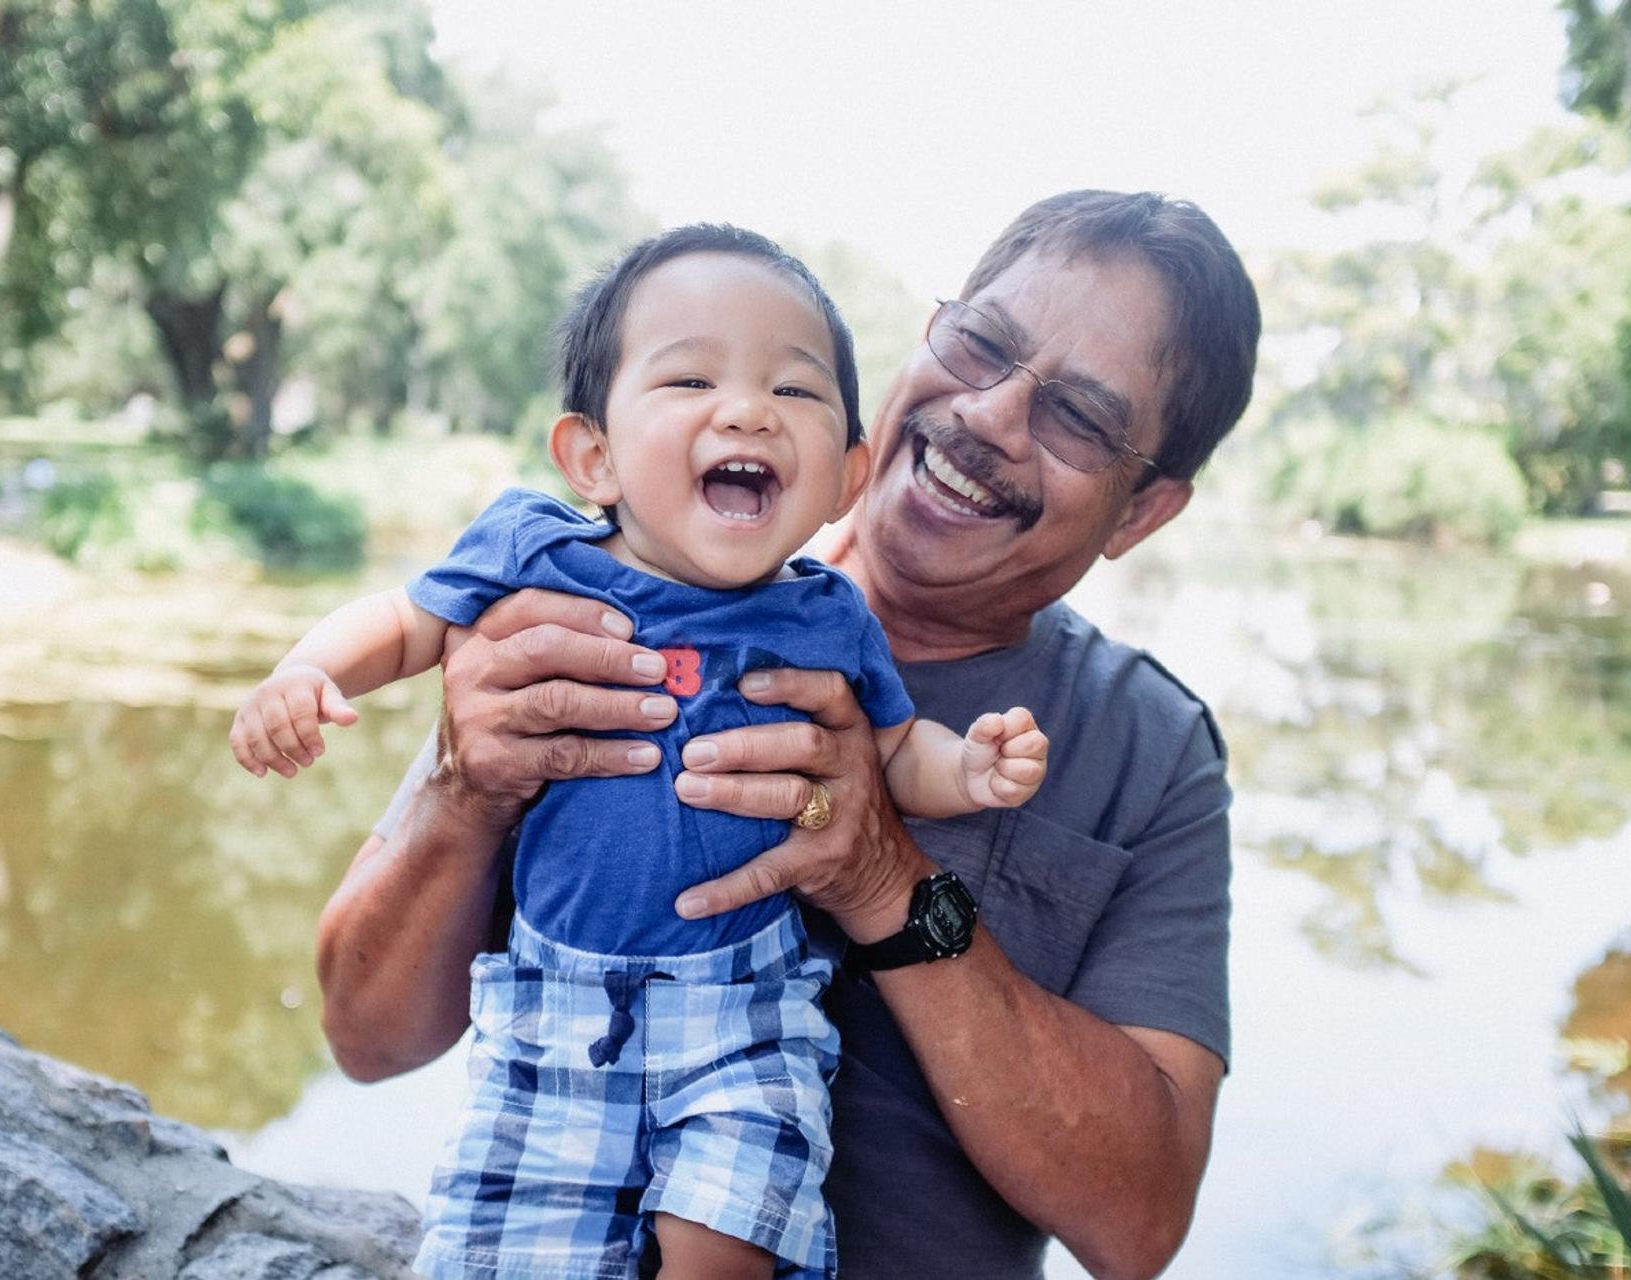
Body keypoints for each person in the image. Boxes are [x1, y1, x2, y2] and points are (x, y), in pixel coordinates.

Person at [316, 190, 1259, 1280]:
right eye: (981, 343)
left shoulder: (1153, 748)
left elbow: (1138, 1224)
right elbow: (365, 1036)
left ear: (1141, 512)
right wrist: (465, 784)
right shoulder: (610, 590)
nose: (992, 415)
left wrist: (886, 878)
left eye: (1080, 418)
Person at [231, 224, 1049, 1279]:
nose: (747, 410)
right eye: (691, 378)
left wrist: (967, 769)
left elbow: (892, 758)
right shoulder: (536, 560)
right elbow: (401, 621)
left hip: (744, 1007)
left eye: (795, 390)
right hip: (553, 1008)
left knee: (731, 1232)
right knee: (509, 1251)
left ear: (846, 475)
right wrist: (306, 673)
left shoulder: (824, 616)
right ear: (594, 457)